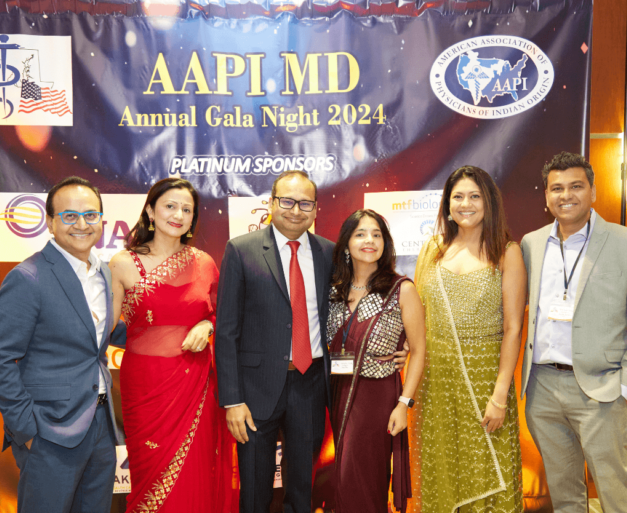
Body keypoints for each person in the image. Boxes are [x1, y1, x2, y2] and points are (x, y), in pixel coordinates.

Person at [520, 152, 627, 513]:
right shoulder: (531, 244)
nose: (566, 195)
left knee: (615, 496)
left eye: (576, 186)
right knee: (565, 496)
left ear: (593, 191)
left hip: (603, 390)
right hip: (542, 388)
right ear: (546, 195)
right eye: (557, 188)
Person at [0, 176, 125, 513]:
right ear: (50, 222)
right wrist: (27, 428)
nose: (82, 224)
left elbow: (100, 335)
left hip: (101, 426)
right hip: (50, 430)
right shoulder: (28, 277)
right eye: (69, 216)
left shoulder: (104, 273)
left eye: (90, 215)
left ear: (102, 220)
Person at [109, 178, 237, 513]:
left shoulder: (204, 263)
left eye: (187, 209)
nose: (178, 215)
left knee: (195, 473)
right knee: (150, 474)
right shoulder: (122, 263)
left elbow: (224, 316)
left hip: (194, 384)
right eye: (170, 206)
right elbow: (103, 327)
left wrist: (207, 325)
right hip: (146, 386)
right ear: (151, 211)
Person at [215, 170, 334, 513]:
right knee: (254, 490)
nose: (296, 210)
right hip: (255, 389)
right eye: (287, 201)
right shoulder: (241, 250)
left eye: (305, 203)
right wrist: (232, 400)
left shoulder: (329, 252)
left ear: (316, 209)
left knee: (302, 490)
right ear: (271, 203)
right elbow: (226, 331)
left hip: (310, 384)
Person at [412, 166, 526, 513]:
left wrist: (500, 395)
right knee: (441, 470)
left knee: (486, 469)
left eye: (475, 196)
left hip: (485, 382)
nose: (466, 204)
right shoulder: (431, 250)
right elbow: (418, 316)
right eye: (458, 196)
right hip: (436, 383)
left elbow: (513, 328)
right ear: (447, 205)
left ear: (489, 203)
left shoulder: (507, 252)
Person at [327, 210, 426, 513]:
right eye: (360, 234)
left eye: (376, 234)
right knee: (337, 478)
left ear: (385, 243)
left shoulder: (401, 289)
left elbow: (419, 349)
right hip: (334, 392)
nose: (369, 240)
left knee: (363, 476)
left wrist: (404, 404)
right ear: (346, 243)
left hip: (376, 397)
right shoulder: (333, 289)